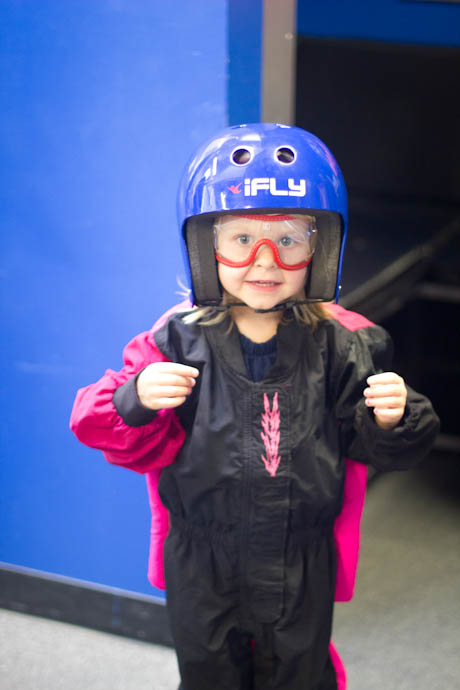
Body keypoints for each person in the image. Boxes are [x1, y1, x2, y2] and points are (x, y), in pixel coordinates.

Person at [70, 123, 439, 690]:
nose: (265, 261)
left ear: (320, 250)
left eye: (289, 240)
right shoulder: (174, 342)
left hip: (301, 557)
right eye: (241, 240)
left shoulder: (347, 346)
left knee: (300, 674)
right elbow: (98, 424)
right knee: (210, 675)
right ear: (205, 248)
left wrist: (392, 416)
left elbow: (383, 447)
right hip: (203, 559)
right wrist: (136, 398)